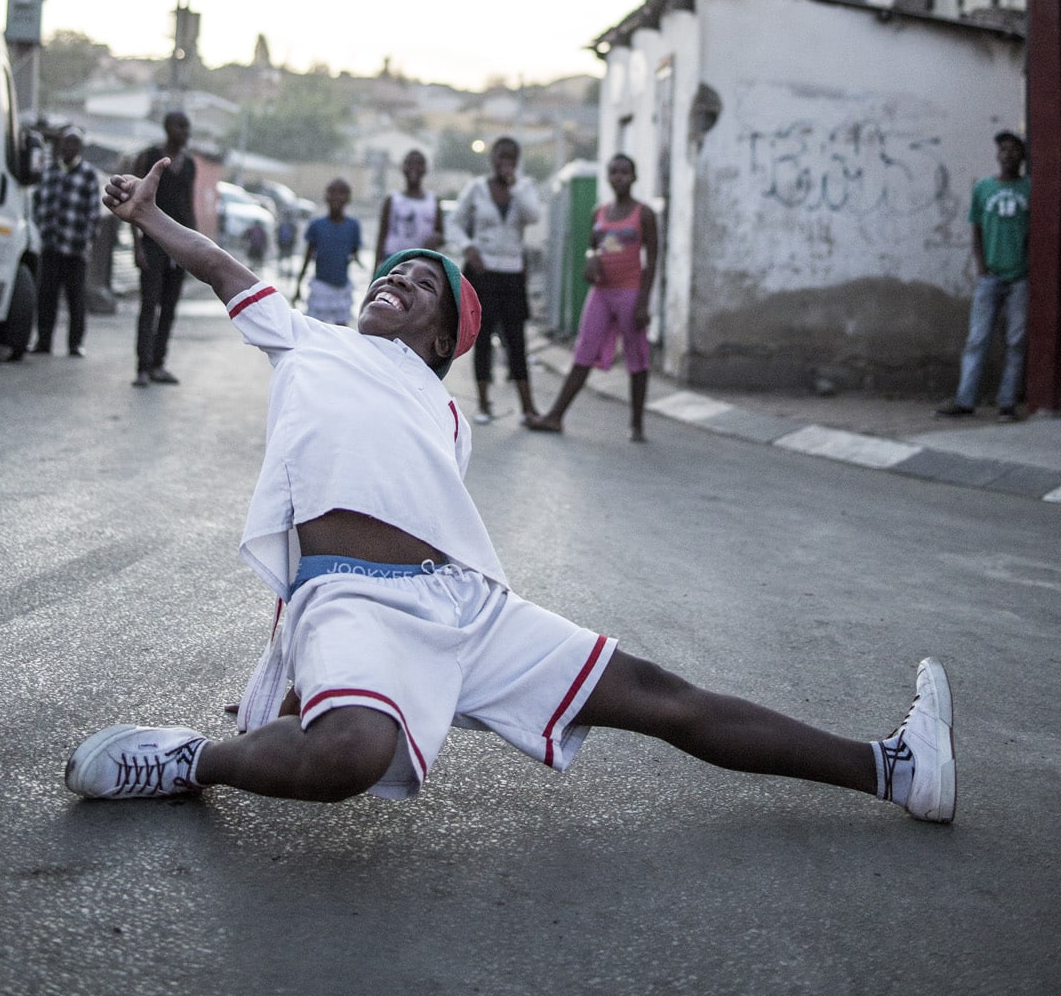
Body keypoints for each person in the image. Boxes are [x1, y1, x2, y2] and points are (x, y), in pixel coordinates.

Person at [65, 158, 957, 828]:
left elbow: (407, 501)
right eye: (393, 272)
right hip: (352, 599)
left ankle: (893, 767)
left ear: (445, 334)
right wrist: (151, 217)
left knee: (656, 691)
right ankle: (194, 762)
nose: (395, 281)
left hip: (465, 606)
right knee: (351, 752)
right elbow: (220, 266)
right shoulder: (307, 340)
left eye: (419, 285)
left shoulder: (447, 417)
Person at [528, 154, 658, 443]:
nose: (619, 177)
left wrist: (643, 302)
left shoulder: (644, 214)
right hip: (601, 292)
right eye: (614, 172)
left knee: (637, 358)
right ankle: (555, 416)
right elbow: (593, 248)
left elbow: (652, 260)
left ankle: (637, 424)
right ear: (608, 177)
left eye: (625, 172)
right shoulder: (599, 212)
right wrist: (590, 260)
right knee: (583, 352)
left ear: (634, 177)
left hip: (630, 292)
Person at [938, 130, 1030, 420]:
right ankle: (965, 401)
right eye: (1003, 149)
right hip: (990, 277)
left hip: (1020, 278)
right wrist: (980, 265)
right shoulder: (983, 189)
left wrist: (1027, 265)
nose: (1007, 154)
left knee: (1016, 341)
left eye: (1014, 149)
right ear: (997, 155)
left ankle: (1006, 404)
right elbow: (976, 229)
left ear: (1022, 156)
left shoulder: (1031, 188)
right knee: (977, 339)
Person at [447, 137, 540, 424]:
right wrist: (467, 247)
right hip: (482, 271)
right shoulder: (476, 188)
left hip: (512, 272)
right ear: (493, 158)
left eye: (512, 157)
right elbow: (454, 222)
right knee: (483, 337)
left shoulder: (524, 188)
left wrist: (515, 187)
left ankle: (528, 407)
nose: (506, 162)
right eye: (501, 156)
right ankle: (484, 404)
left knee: (516, 340)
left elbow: (533, 215)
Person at [131, 111, 197, 389]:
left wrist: (194, 246)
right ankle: (142, 368)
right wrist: (137, 245)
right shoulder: (149, 158)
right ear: (168, 128)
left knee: (169, 307)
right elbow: (133, 202)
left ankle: (159, 364)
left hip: (180, 244)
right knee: (149, 306)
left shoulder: (190, 164)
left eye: (187, 127)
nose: (185, 132)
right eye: (180, 126)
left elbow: (188, 205)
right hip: (153, 242)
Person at [30, 126, 102, 357]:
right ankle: (44, 341)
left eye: (73, 143)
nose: (68, 148)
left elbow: (93, 211)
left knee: (75, 298)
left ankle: (75, 343)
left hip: (75, 248)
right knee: (46, 296)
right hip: (50, 245)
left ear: (79, 147)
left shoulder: (88, 174)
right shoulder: (49, 172)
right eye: (65, 143)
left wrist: (87, 237)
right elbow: (38, 203)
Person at [294, 179, 362, 324]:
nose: (336, 196)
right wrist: (298, 287)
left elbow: (355, 253)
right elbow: (307, 259)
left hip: (342, 288)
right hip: (321, 287)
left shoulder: (353, 226)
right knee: (314, 330)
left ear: (348, 198)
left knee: (342, 332)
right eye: (332, 192)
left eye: (341, 193)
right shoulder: (317, 225)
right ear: (326, 196)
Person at [373, 150, 444, 269]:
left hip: (421, 262)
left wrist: (437, 237)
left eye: (419, 163)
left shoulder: (433, 201)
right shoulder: (392, 199)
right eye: (409, 163)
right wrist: (375, 269)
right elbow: (381, 236)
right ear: (402, 168)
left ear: (425, 169)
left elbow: (442, 234)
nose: (414, 167)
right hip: (392, 260)